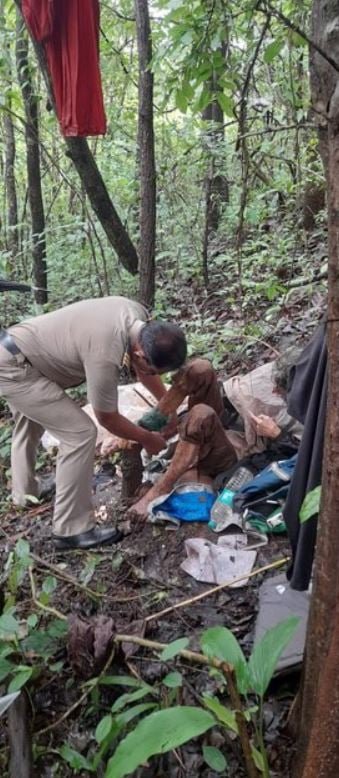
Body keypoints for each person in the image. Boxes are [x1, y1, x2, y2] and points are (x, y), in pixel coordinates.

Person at [0, 296, 187, 550]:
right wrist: (147, 438)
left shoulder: (137, 317)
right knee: (80, 434)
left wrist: (168, 407)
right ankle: (71, 530)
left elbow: (143, 369)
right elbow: (106, 417)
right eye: (154, 370)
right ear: (140, 353)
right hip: (15, 368)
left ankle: (26, 492)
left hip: (17, 350)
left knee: (30, 420)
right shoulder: (105, 352)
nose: (152, 375)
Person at [128, 354, 299, 520]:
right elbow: (234, 392)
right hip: (231, 422)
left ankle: (160, 488)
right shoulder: (284, 371)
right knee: (200, 369)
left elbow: (300, 460)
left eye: (280, 388)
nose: (274, 390)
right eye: (276, 384)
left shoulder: (309, 411)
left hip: (241, 454)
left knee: (201, 415)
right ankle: (151, 424)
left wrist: (277, 434)